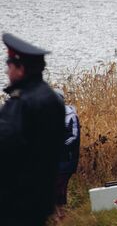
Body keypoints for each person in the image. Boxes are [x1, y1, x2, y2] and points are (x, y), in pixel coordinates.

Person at [0, 33, 65, 226]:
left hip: (14, 201)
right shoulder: (50, 98)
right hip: (38, 198)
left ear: (21, 69)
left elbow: (6, 148)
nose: (6, 71)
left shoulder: (23, 102)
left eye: (9, 65)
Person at [54, 89, 80, 222]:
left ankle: (61, 216)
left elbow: (74, 137)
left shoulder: (71, 116)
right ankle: (59, 215)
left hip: (67, 159)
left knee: (58, 185)